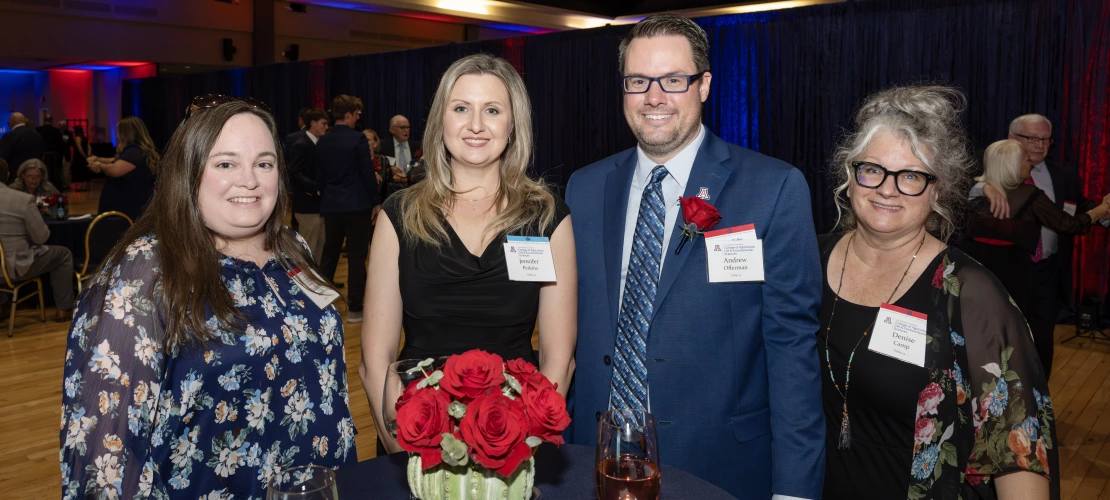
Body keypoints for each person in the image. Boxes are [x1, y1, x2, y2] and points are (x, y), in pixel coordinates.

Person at [565, 14, 823, 498]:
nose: (654, 97)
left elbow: (792, 351)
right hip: (591, 460)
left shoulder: (773, 188)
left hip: (717, 465)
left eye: (673, 80)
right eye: (638, 81)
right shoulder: (586, 187)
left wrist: (796, 489)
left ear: (704, 85)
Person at [58, 100, 354, 499]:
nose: (249, 180)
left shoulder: (292, 247)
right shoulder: (148, 270)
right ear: (189, 172)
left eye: (264, 164)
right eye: (226, 164)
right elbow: (104, 454)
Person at [816, 86, 1057, 499]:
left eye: (911, 176)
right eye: (872, 168)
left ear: (937, 190)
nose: (887, 189)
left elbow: (1020, 448)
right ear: (850, 174)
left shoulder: (969, 293)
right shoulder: (808, 258)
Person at [360, 54, 577, 455]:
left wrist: (521, 447)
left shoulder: (546, 218)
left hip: (515, 436)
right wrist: (406, 451)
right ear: (442, 120)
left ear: (512, 125)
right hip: (414, 430)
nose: (476, 125)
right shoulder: (400, 215)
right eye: (461, 108)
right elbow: (377, 359)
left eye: (492, 110)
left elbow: (558, 359)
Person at [976, 114, 1108, 379]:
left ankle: (1037, 399)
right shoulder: (987, 164)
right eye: (1032, 138)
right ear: (1012, 138)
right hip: (998, 276)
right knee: (997, 338)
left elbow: (1078, 206)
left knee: (1042, 339)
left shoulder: (1063, 175)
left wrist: (1103, 214)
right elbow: (955, 185)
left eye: (1045, 139)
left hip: (1046, 271)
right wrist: (983, 188)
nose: (1039, 145)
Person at [315, 94, 380, 323]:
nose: (357, 118)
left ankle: (319, 303)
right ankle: (355, 310)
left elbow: (320, 177)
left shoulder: (323, 140)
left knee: (329, 255)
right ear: (350, 114)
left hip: (332, 204)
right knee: (356, 256)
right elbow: (366, 172)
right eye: (356, 114)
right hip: (357, 204)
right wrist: (375, 200)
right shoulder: (357, 139)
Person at [0, 158, 74, 321]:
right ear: (8, 175)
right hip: (13, 266)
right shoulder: (21, 199)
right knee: (63, 254)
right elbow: (41, 237)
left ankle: (3, 304)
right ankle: (64, 309)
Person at [87, 116, 159, 221]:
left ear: (127, 134)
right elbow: (116, 161)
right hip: (127, 208)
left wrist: (99, 165)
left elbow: (115, 170)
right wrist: (99, 159)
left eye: (119, 132)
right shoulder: (135, 151)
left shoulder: (135, 152)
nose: (117, 136)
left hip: (128, 210)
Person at [287, 108, 328, 262]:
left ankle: (317, 280)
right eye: (323, 123)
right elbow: (295, 173)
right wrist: (315, 188)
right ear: (313, 123)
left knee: (320, 246)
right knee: (308, 247)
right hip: (307, 205)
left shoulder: (319, 142)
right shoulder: (302, 144)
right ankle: (306, 282)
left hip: (319, 205)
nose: (326, 127)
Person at [0, 112, 44, 183]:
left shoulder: (9, 136)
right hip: (34, 177)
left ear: (11, 122)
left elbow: (2, 158)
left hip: (15, 178)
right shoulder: (37, 135)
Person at [36, 114, 66, 189]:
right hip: (55, 155)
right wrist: (62, 157)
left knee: (44, 174)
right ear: (51, 121)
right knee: (56, 174)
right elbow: (61, 144)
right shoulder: (56, 131)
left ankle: (44, 189)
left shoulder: (38, 130)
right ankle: (57, 191)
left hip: (43, 155)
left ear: (44, 120)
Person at [68, 125, 90, 191]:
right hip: (84, 158)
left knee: (78, 172)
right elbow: (89, 148)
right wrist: (88, 156)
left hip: (79, 158)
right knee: (84, 172)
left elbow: (79, 149)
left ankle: (79, 187)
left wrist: (84, 156)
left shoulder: (77, 138)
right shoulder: (85, 138)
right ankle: (84, 187)